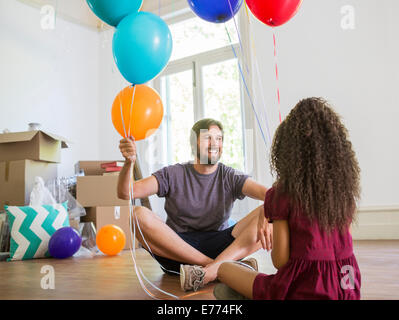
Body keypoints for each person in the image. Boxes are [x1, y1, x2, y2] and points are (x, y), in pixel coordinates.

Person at [215, 97, 362, 300]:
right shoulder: (344, 192)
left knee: (224, 269)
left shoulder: (283, 194)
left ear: (288, 150)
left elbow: (280, 261)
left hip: (303, 290)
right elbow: (346, 247)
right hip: (347, 286)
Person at [117, 118, 272, 292]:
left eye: (219, 139)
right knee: (137, 215)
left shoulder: (230, 176)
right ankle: (220, 268)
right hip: (176, 251)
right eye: (208, 138)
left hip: (220, 245)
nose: (215, 143)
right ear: (194, 144)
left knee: (271, 214)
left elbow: (270, 194)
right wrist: (129, 162)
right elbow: (126, 193)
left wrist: (268, 211)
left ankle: (207, 272)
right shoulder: (173, 173)